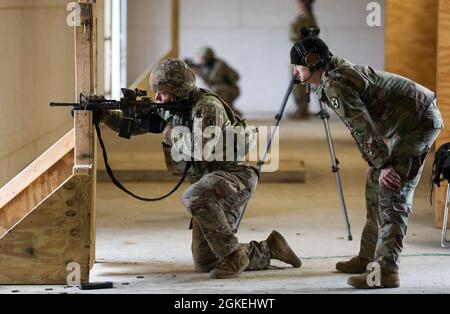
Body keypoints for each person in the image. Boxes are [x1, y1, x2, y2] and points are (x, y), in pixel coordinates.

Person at [99, 59, 301, 279]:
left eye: (162, 92)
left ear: (178, 90)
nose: (157, 98)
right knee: (206, 263)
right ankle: (270, 248)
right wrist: (103, 115)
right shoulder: (174, 106)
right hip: (212, 185)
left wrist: (165, 129)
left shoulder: (207, 107)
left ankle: (235, 255)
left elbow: (201, 148)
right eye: (156, 92)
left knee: (193, 196)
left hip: (234, 179)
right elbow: (133, 127)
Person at [290, 37, 444, 288]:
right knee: (376, 180)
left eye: (298, 66)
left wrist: (383, 164)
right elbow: (360, 124)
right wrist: (375, 163)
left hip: (417, 122)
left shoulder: (335, 82)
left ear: (314, 61)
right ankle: (369, 258)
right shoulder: (332, 75)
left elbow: (362, 126)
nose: (295, 72)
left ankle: (386, 271)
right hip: (403, 122)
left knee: (393, 190)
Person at [189, 47, 242, 116]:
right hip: (224, 89)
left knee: (215, 92)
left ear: (206, 57)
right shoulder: (206, 66)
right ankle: (233, 114)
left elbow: (214, 80)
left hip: (231, 89)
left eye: (201, 58)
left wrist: (200, 73)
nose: (200, 60)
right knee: (224, 105)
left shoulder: (218, 65)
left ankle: (235, 115)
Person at [289, 0, 318, 120]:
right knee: (298, 83)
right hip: (301, 52)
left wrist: (293, 31)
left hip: (303, 54)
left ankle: (302, 111)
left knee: (300, 83)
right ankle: (301, 110)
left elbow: (299, 35)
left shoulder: (306, 17)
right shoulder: (305, 16)